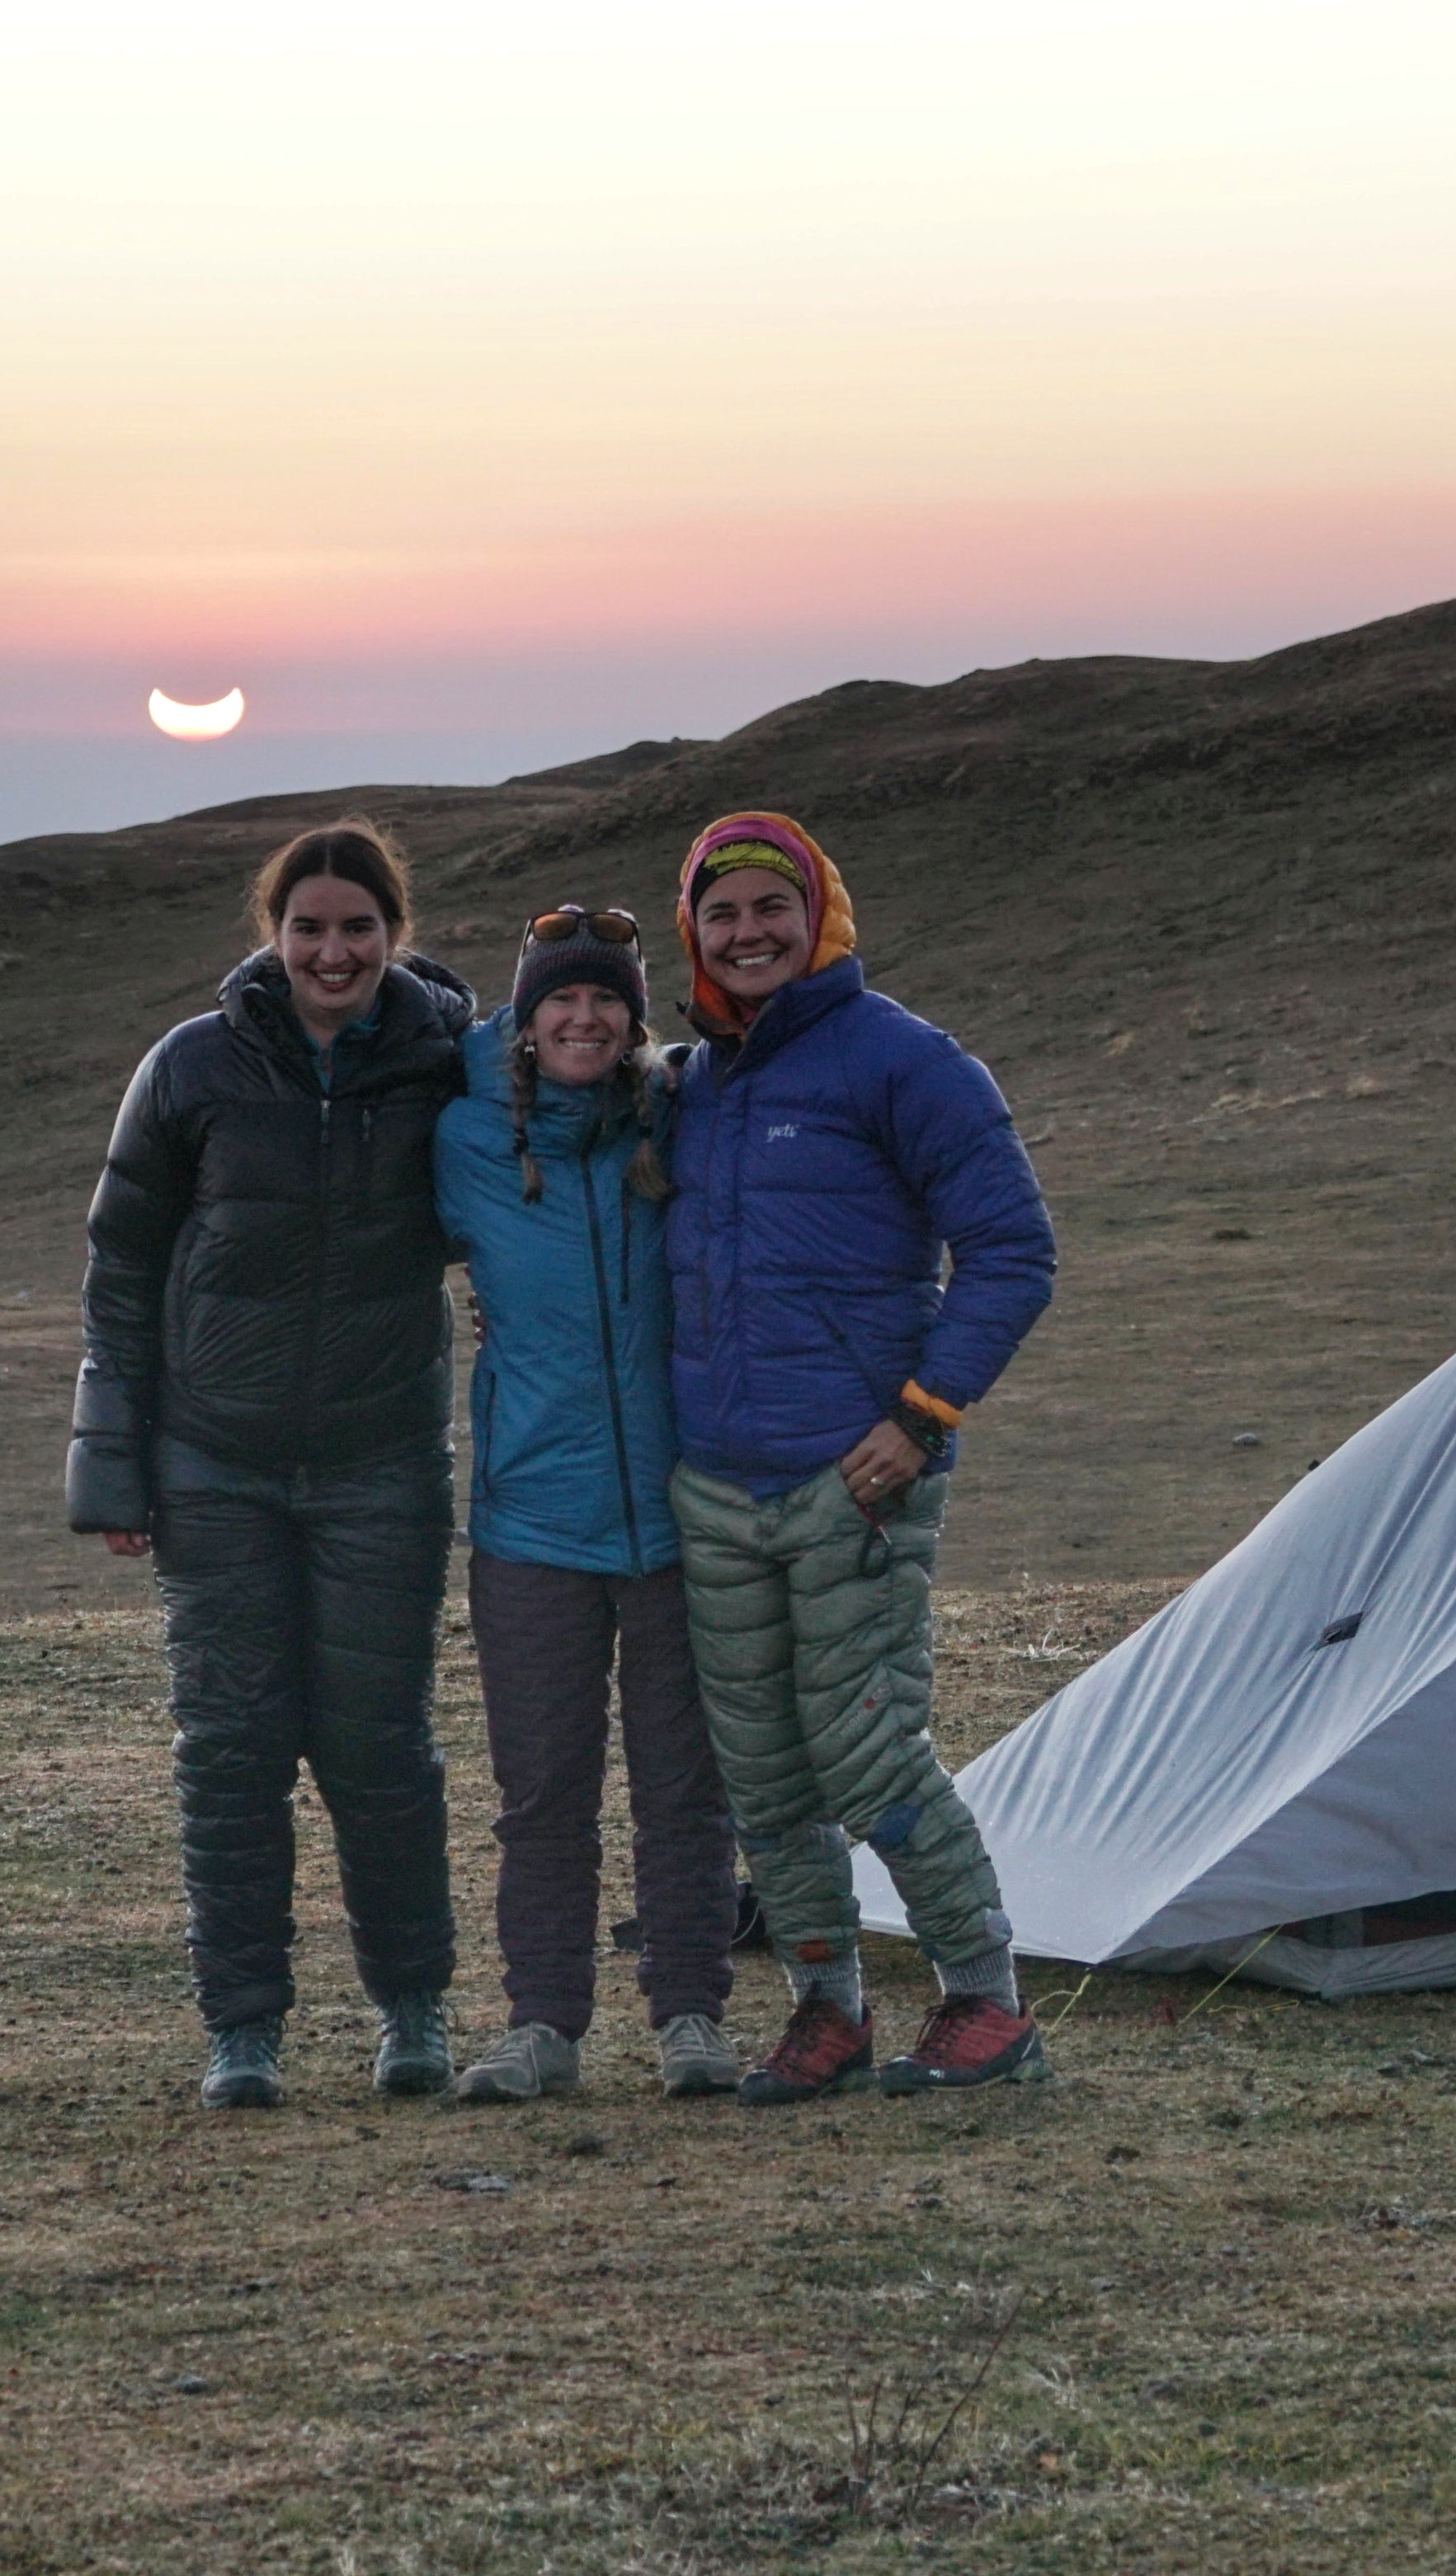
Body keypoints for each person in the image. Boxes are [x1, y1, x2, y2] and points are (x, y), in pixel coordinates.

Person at [67, 820, 477, 2110]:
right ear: (273, 934)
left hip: (381, 1466)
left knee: (378, 1750)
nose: (334, 950)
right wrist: (115, 1468)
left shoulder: (444, 1064)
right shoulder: (189, 1068)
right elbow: (123, 1266)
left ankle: (412, 2008)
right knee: (233, 1750)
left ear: (393, 934)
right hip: (216, 1467)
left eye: (359, 927)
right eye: (309, 927)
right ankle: (241, 2030)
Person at [660, 812, 1058, 2103]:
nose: (750, 931)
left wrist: (925, 1412)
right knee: (762, 1770)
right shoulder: (696, 1086)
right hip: (718, 1486)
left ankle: (986, 2002)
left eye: (775, 905)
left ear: (823, 915)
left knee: (871, 1753)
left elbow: (1012, 1250)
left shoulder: (906, 1061)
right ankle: (823, 2008)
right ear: (695, 933)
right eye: (723, 914)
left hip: (856, 1479)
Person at [429, 904, 743, 2103]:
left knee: (683, 1789)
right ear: (524, 1017)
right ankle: (543, 2026)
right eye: (560, 998)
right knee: (544, 1792)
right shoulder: (463, 1139)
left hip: (676, 1518)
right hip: (530, 1525)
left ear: (634, 1020)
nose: (584, 1017)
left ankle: (692, 2020)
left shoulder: (676, 1119)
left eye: (606, 999)